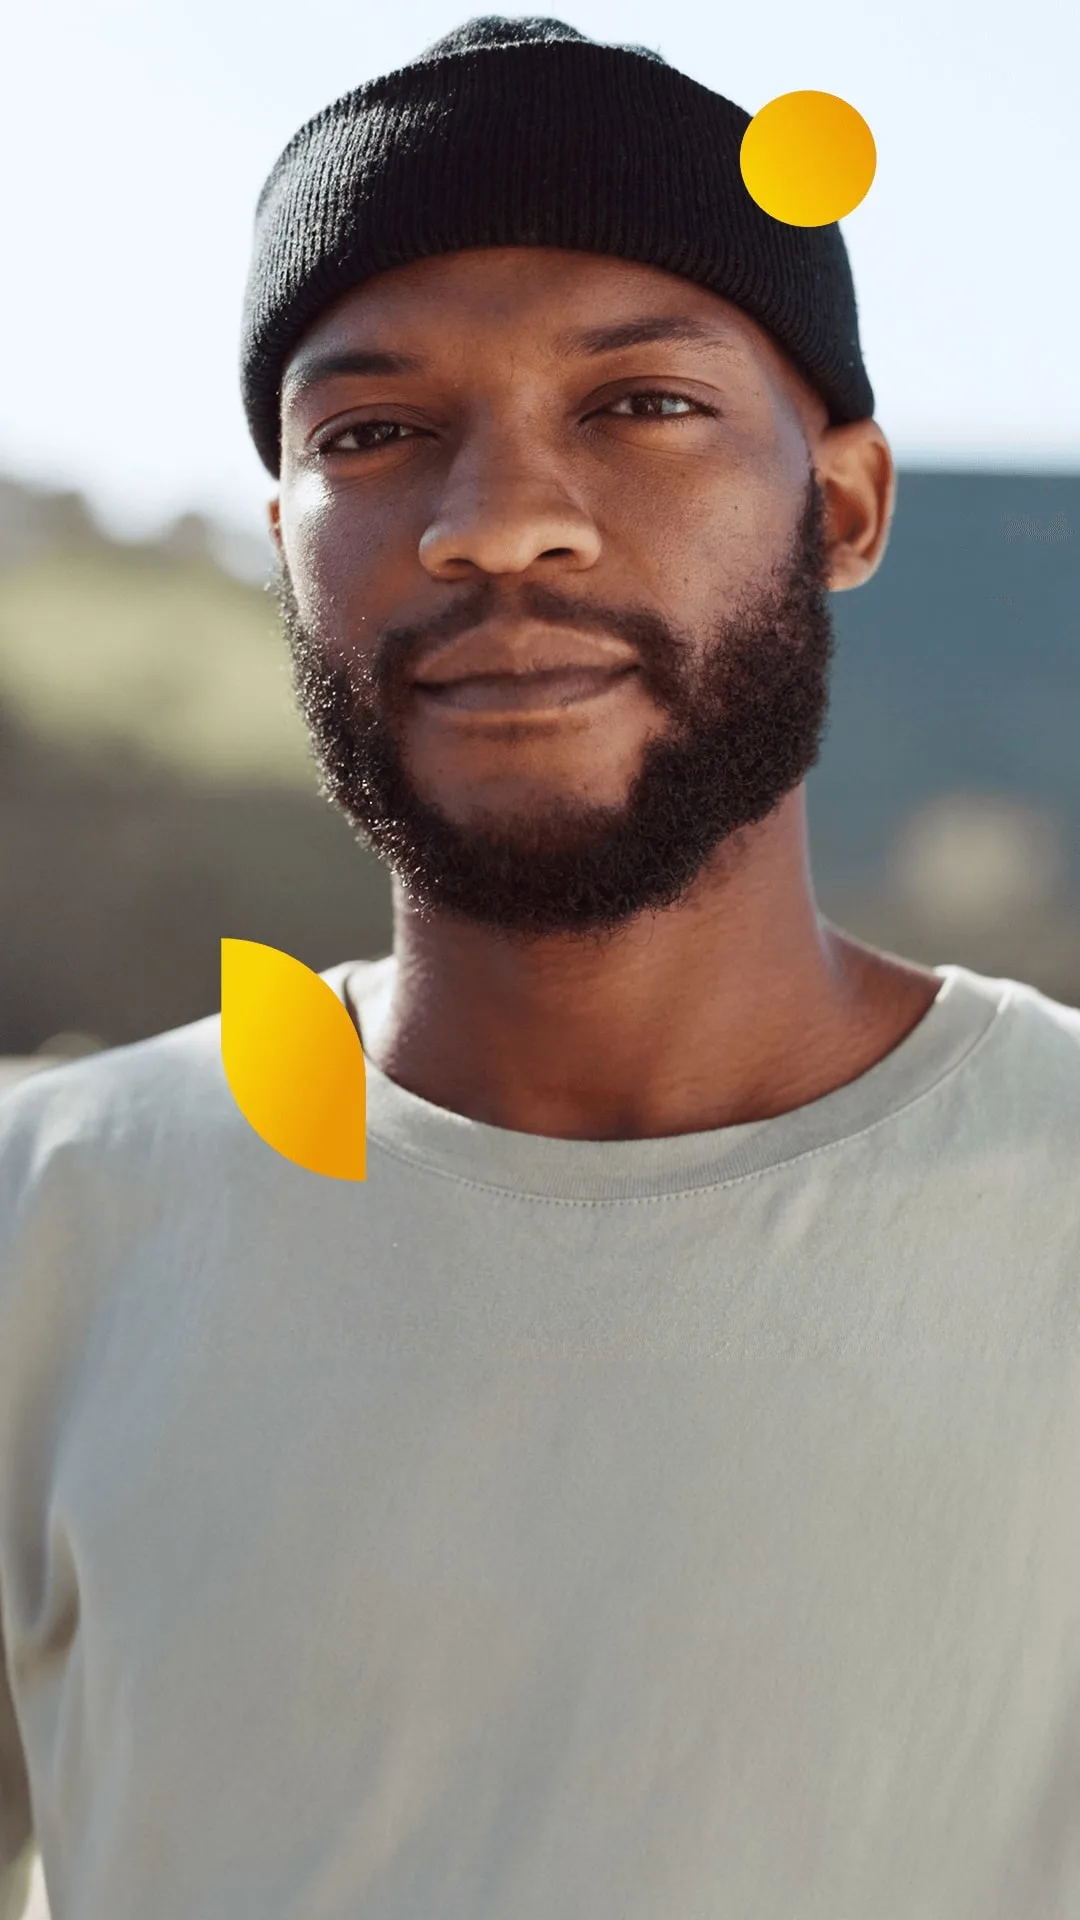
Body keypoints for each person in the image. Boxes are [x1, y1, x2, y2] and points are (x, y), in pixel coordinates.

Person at [2, 17, 1079, 1919]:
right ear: (285, 541)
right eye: (372, 433)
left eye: (640, 404)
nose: (496, 520)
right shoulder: (49, 1224)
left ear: (842, 506)